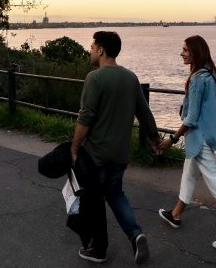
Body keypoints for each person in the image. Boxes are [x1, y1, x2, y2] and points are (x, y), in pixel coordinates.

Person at [70, 31, 161, 264]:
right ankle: (135, 234)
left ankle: (97, 249)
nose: (90, 50)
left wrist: (74, 147)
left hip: (96, 154)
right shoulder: (130, 78)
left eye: (92, 46)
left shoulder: (95, 78)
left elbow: (86, 118)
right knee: (115, 193)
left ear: (101, 50)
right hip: (120, 153)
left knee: (94, 201)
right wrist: (154, 139)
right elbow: (144, 112)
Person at [156, 35, 216, 249]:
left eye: (185, 50)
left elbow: (192, 118)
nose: (182, 53)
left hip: (200, 139)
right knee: (188, 175)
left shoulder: (197, 79)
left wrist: (172, 139)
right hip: (206, 135)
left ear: (195, 52)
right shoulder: (211, 72)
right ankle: (175, 215)